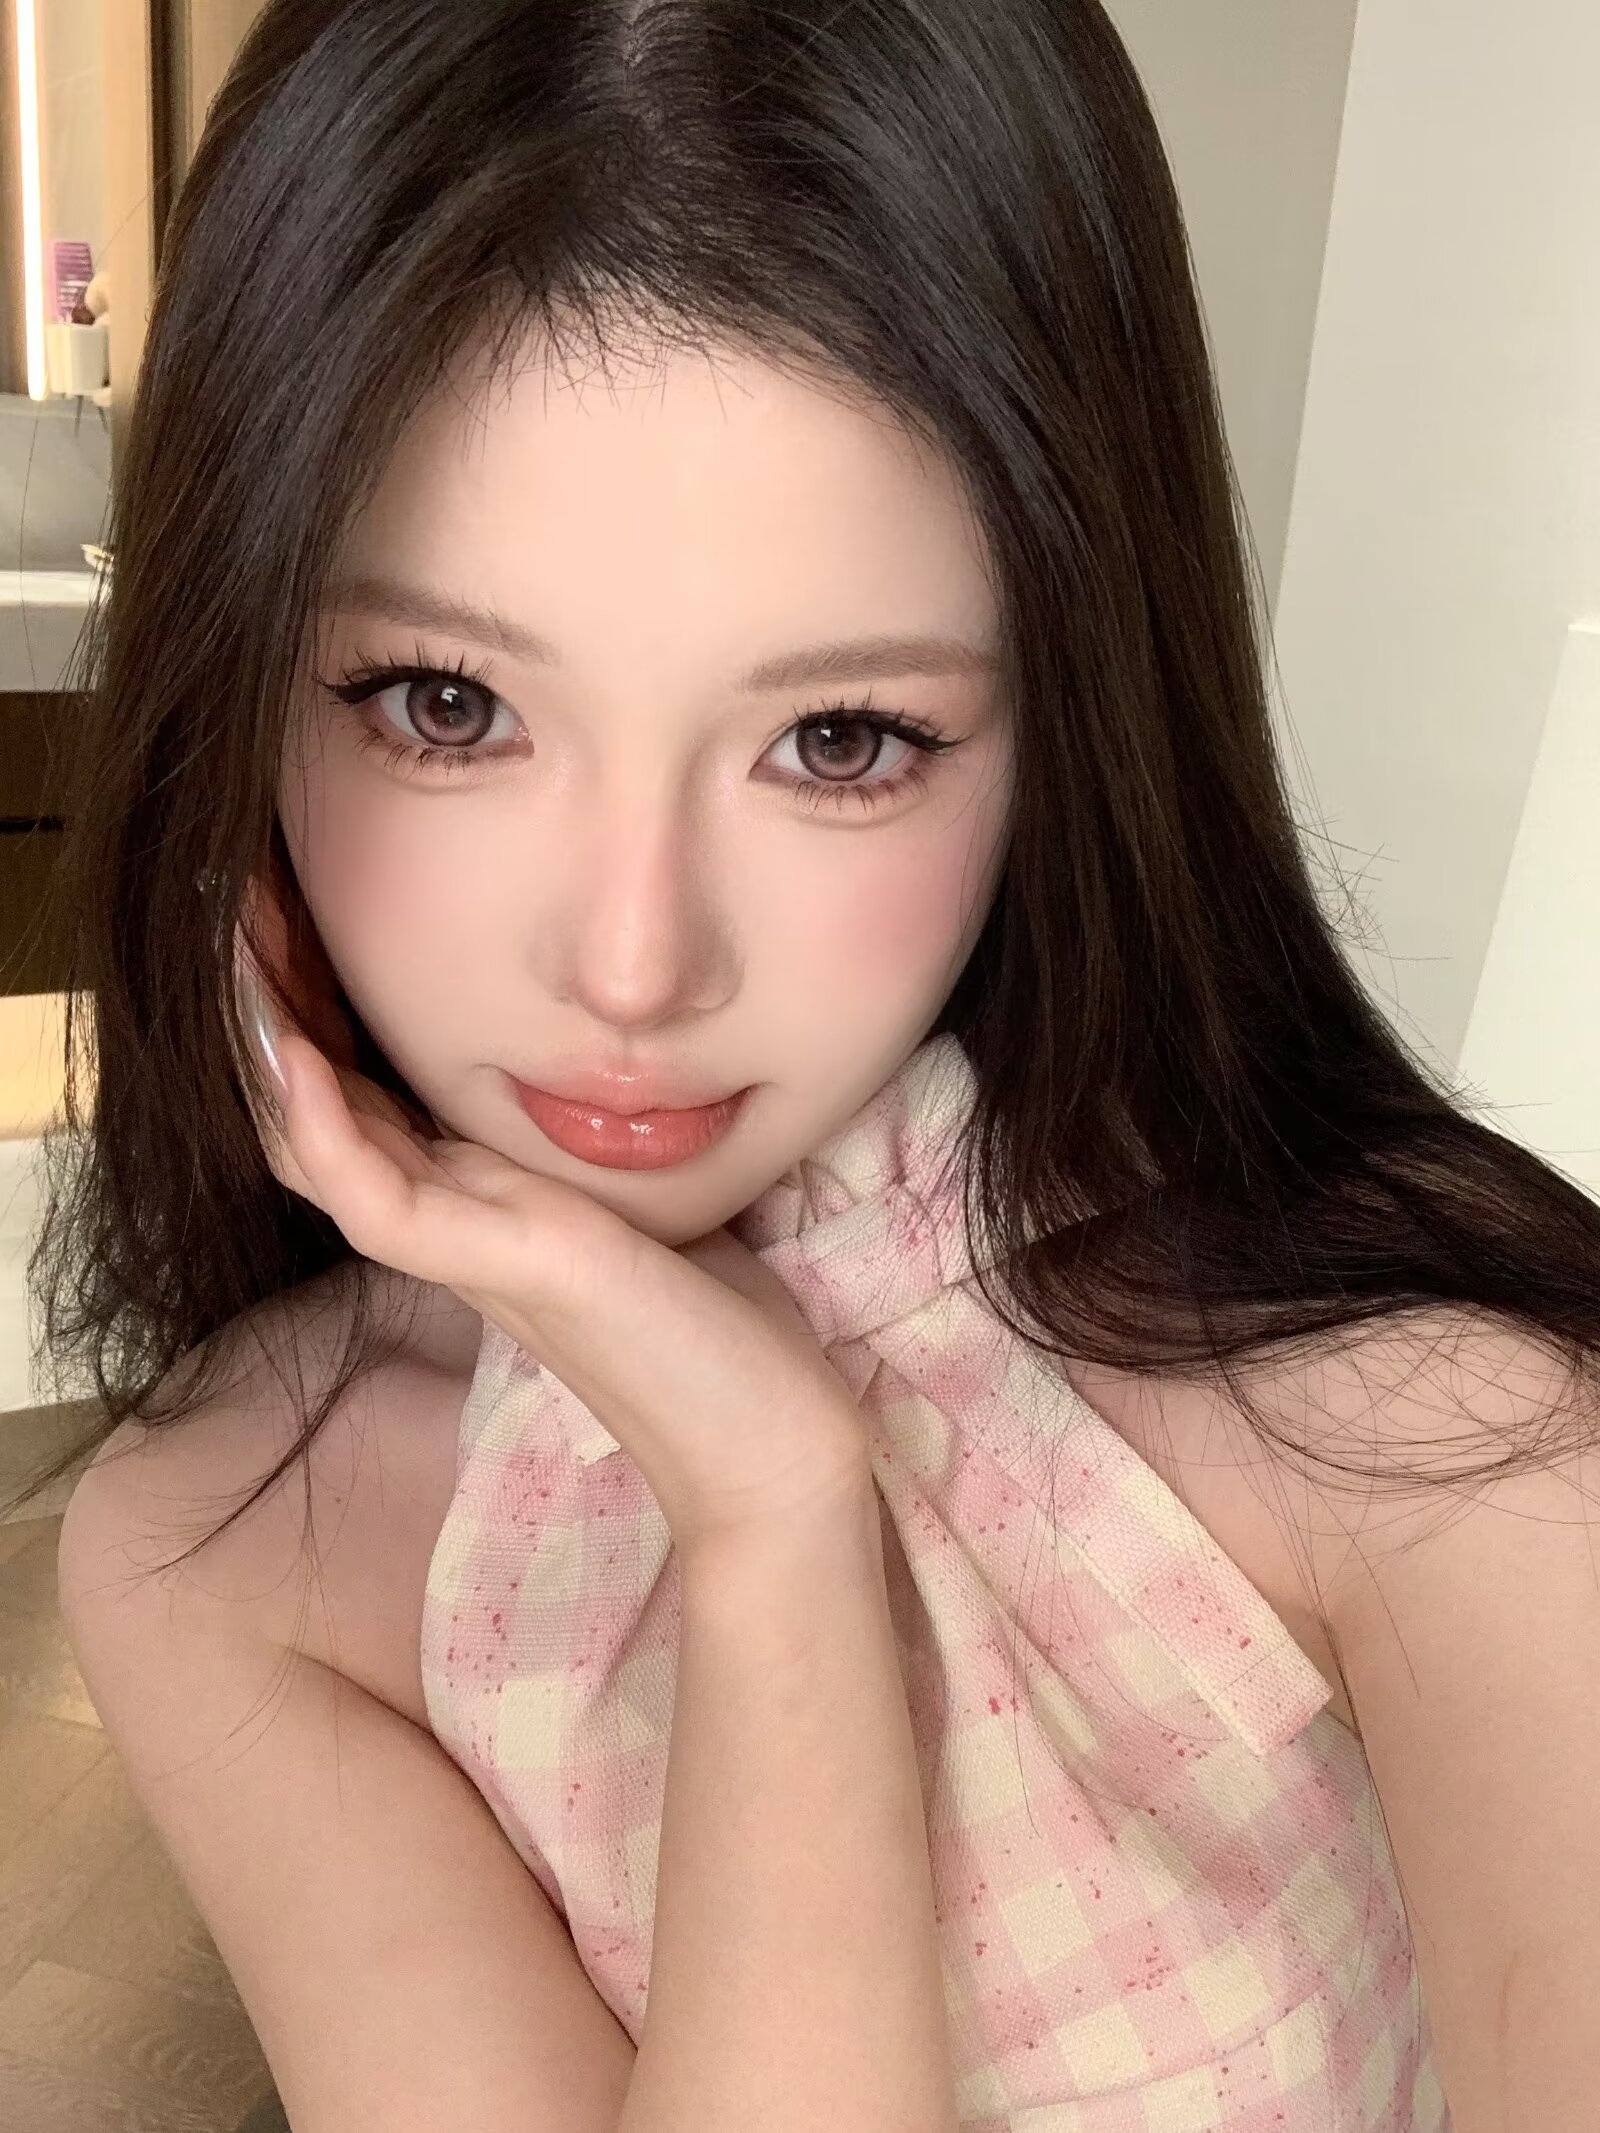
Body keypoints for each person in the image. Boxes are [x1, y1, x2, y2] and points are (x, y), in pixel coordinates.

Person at [11, 0, 1598, 2126]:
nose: (632, 962)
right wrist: (768, 1518)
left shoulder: (1425, 1425)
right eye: (445, 704)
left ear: (1067, 718)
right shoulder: (226, 1533)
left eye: (840, 738)